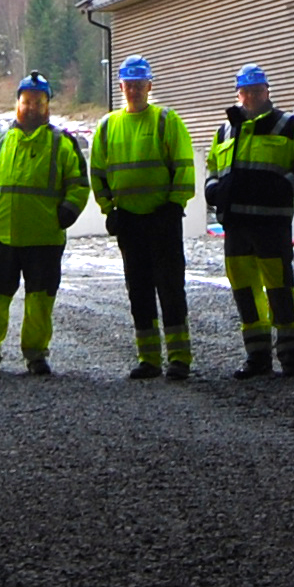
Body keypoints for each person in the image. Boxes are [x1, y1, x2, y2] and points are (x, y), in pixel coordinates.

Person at [0, 73, 89, 376]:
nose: (31, 107)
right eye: (26, 102)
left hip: (45, 236)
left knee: (40, 299)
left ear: (47, 105)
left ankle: (36, 354)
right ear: (17, 104)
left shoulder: (62, 143)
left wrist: (67, 213)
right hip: (3, 234)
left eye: (38, 102)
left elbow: (78, 183)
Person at [206, 63, 294, 377]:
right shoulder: (225, 131)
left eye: (257, 90)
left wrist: (284, 188)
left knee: (280, 290)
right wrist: (212, 190)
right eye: (246, 91)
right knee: (245, 291)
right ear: (238, 94)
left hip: (271, 226)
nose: (252, 96)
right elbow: (213, 167)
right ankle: (256, 356)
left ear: (267, 91)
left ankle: (290, 355)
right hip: (237, 227)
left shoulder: (289, 126)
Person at [90, 55, 200, 380]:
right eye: (129, 85)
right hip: (129, 221)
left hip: (162, 219)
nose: (134, 90)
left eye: (139, 85)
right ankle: (148, 359)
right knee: (138, 290)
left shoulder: (166, 120)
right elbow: (98, 172)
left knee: (170, 288)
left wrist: (175, 205)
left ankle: (179, 358)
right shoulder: (107, 126)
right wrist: (109, 209)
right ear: (121, 87)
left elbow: (183, 165)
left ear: (149, 86)